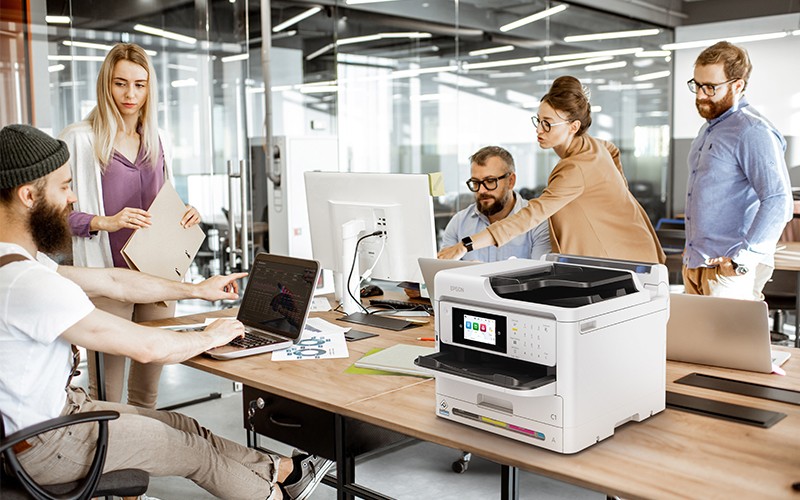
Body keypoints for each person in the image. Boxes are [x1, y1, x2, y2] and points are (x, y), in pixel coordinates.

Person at [0, 124, 333, 500]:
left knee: (182, 425)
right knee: (193, 453)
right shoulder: (27, 283)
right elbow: (145, 348)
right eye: (64, 187)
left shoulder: (18, 265)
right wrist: (212, 336)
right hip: (46, 445)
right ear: (29, 195)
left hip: (54, 419)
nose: (73, 198)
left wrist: (196, 291)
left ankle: (285, 472)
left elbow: (116, 282)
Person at [59, 43, 200, 409]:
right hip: (109, 281)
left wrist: (186, 213)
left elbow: (164, 202)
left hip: (157, 277)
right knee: (107, 393)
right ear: (107, 85)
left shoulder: (158, 139)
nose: (130, 94)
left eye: (140, 84)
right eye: (121, 84)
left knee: (147, 392)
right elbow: (55, 213)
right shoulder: (80, 139)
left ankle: (141, 462)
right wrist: (104, 221)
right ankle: (107, 462)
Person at [438, 76, 664, 265]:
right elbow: (612, 150)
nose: (539, 129)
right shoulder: (594, 146)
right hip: (634, 252)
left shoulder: (576, 167)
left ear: (573, 127)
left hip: (624, 262)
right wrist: (618, 197)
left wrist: (467, 244)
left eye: (547, 123)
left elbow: (531, 215)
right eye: (538, 120)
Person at [682, 41, 792, 300]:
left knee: (730, 341)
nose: (700, 95)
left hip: (728, 269)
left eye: (710, 87)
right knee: (695, 341)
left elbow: (778, 200)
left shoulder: (752, 131)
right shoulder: (709, 129)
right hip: (697, 263)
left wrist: (742, 261)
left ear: (737, 85)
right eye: (696, 85)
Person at [441, 145, 551, 262]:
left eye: (490, 181)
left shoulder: (538, 223)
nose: (481, 190)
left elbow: (541, 275)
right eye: (475, 182)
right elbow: (441, 272)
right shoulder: (459, 223)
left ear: (511, 181)